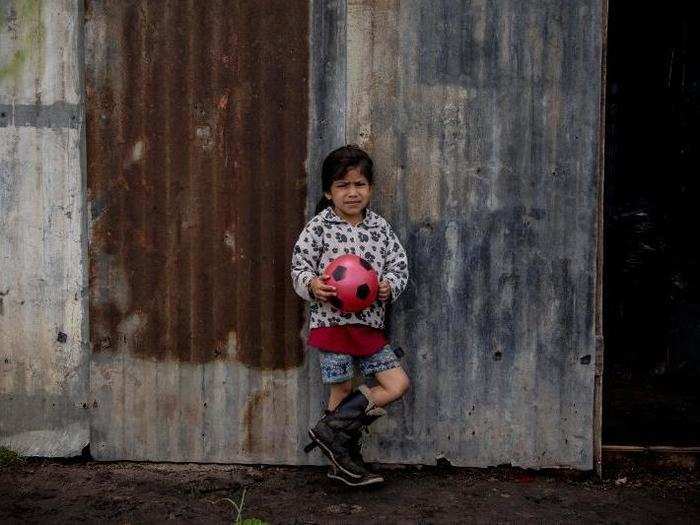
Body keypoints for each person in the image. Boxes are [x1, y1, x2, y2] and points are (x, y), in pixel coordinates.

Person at [290, 145, 410, 486]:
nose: (352, 192)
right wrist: (313, 284)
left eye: (359, 184)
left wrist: (389, 287)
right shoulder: (319, 228)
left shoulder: (380, 229)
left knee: (397, 384)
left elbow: (398, 265)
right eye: (343, 185)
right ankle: (343, 462)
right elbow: (299, 267)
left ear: (370, 189)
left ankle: (329, 431)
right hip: (333, 325)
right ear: (329, 191)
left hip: (370, 326)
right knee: (341, 391)